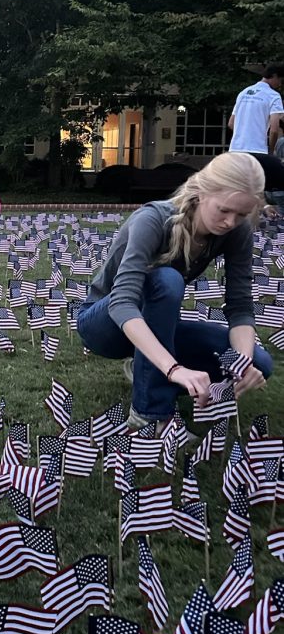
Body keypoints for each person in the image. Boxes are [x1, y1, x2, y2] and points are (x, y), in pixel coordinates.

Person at [76, 152, 272, 430]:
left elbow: (240, 306)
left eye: (241, 214)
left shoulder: (236, 232)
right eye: (224, 210)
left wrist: (242, 366)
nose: (230, 222)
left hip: (156, 325)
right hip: (105, 325)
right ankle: (149, 413)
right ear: (203, 193)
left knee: (260, 362)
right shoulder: (154, 219)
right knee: (166, 279)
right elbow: (122, 303)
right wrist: (173, 369)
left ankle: (146, 367)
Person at [228, 65, 284, 154]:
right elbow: (274, 130)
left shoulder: (243, 93)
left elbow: (231, 123)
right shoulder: (273, 96)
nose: (280, 85)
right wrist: (271, 150)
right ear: (274, 75)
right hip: (258, 149)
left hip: (235, 149)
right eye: (281, 81)